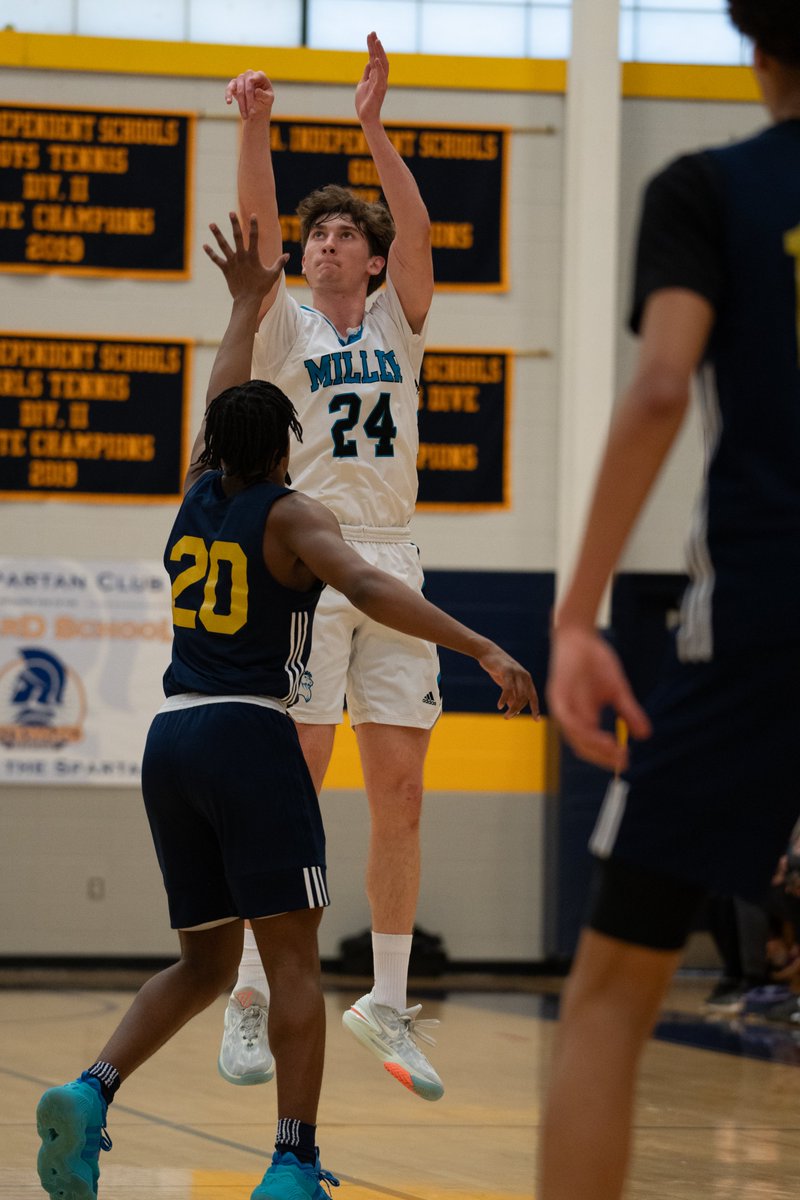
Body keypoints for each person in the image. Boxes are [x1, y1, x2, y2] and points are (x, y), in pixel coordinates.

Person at [35, 214, 537, 1200]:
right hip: (249, 737)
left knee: (200, 966)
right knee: (296, 963)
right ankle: (292, 1164)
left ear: (213, 444)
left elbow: (223, 389)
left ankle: (93, 1088)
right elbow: (375, 589)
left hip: (169, 741)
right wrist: (477, 641)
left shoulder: (192, 496)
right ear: (288, 447)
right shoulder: (295, 518)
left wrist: (238, 304)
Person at [539, 3, 800, 1197]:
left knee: (605, 999)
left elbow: (656, 389)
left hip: (758, 621)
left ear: (758, 50)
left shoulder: (708, 190)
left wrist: (578, 613)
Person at [219, 32, 449, 1100]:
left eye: (340, 233)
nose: (322, 244)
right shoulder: (284, 330)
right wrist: (255, 128)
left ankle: (387, 1000)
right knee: (297, 782)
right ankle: (252, 994)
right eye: (315, 235)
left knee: (398, 788)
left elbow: (421, 231)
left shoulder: (400, 321)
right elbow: (253, 239)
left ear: (367, 254)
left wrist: (371, 128)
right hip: (307, 561)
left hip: (393, 559)